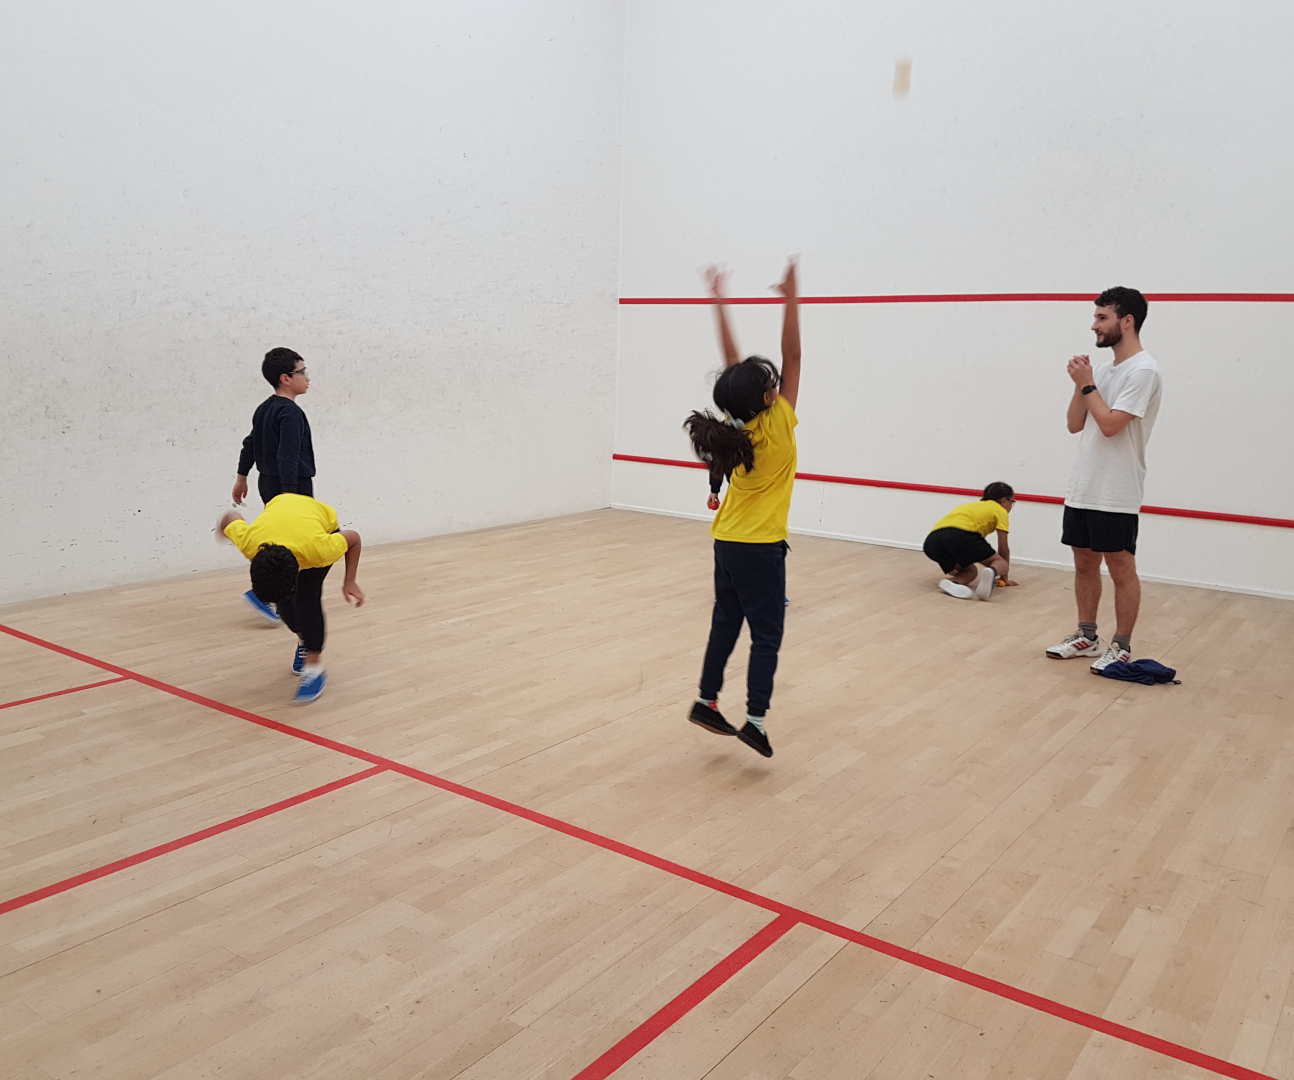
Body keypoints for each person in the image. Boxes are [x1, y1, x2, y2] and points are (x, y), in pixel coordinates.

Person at [682, 258, 801, 758]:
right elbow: (793, 356)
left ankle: (707, 700)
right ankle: (755, 720)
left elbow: (739, 371)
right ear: (769, 397)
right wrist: (791, 299)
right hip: (761, 547)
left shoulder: (733, 426)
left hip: (727, 541)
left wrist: (718, 300)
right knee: (767, 634)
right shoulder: (777, 426)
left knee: (726, 621)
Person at [1046, 287, 1163, 672]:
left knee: (1120, 565)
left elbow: (1112, 425)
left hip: (1117, 489)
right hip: (1084, 485)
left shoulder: (1143, 370)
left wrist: (1087, 384)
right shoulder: (1104, 372)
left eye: (1101, 317)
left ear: (1126, 321)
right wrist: (1083, 382)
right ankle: (1086, 636)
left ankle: (1122, 646)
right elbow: (1074, 423)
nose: (1093, 325)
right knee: (1083, 562)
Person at [217, 494, 364, 704]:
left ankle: (314, 669)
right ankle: (304, 639)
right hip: (282, 507)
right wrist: (222, 530)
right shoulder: (250, 542)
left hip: (318, 523)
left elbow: (354, 539)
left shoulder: (319, 549)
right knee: (286, 607)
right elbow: (231, 516)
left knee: (308, 598)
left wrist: (349, 581)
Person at [231, 348, 317, 623]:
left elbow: (250, 444)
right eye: (302, 372)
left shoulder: (264, 408)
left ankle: (274, 596)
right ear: (286, 379)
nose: (307, 378)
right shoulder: (290, 413)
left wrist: (241, 476)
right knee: (294, 542)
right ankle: (269, 596)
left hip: (267, 483)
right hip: (291, 486)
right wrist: (291, 497)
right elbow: (287, 456)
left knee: (281, 542)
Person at [923, 482, 1018, 599]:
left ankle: (953, 583)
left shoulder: (969, 506)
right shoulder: (1000, 510)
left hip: (932, 542)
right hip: (961, 535)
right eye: (1012, 501)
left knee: (970, 571)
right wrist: (1003, 576)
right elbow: (1003, 548)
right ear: (1004, 500)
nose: (1011, 506)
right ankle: (991, 573)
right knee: (1001, 562)